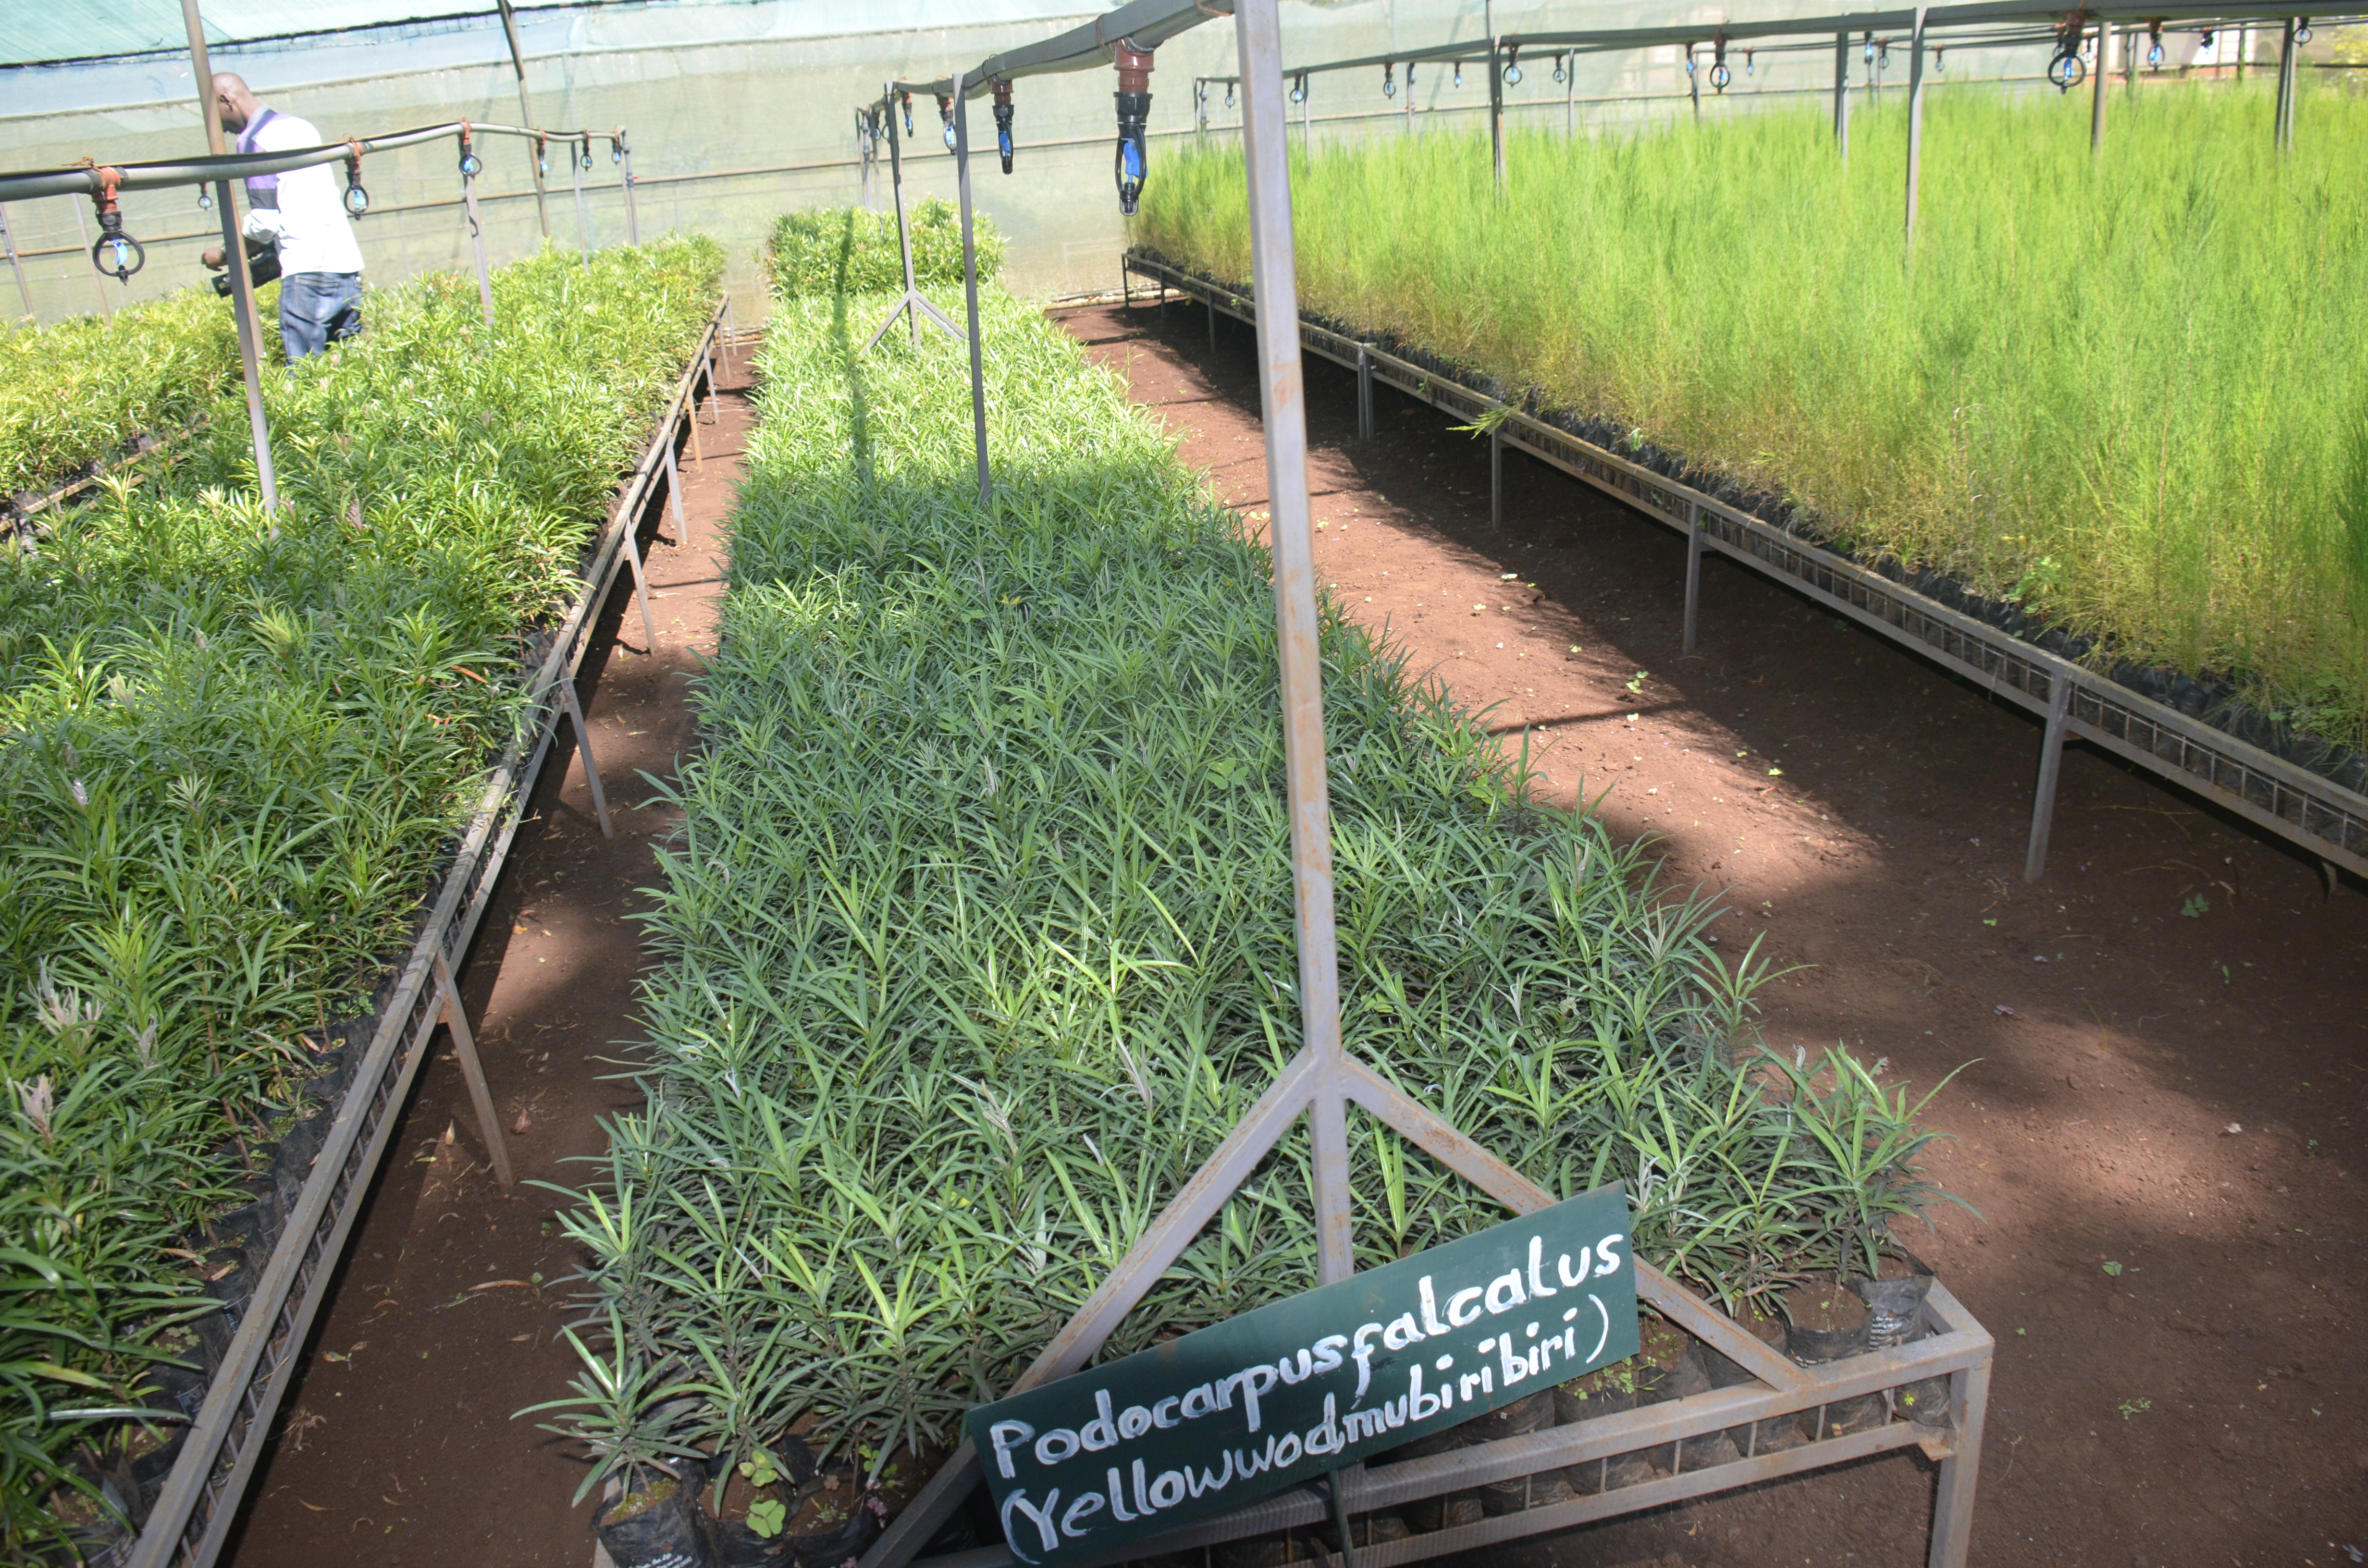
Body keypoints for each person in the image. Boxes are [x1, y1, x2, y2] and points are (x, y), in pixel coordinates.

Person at [200, 74, 364, 360]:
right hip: (346, 266)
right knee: (354, 374)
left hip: (306, 273)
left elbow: (265, 223)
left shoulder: (253, 140)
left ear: (227, 101)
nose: (222, 129)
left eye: (218, 118)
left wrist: (224, 254)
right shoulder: (299, 125)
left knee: (306, 379)